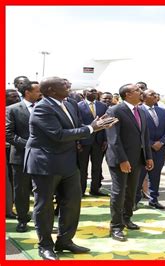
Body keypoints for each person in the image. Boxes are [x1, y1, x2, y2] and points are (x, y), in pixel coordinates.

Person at [24, 77, 117, 260]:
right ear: (51, 90)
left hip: (68, 163)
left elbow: (74, 128)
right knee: (44, 207)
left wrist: (95, 126)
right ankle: (45, 246)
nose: (69, 86)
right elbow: (58, 135)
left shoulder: (69, 104)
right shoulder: (42, 107)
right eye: (63, 85)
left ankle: (65, 241)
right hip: (46, 164)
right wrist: (91, 128)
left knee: (72, 203)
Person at [105, 83, 153, 242]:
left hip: (137, 159)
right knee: (119, 193)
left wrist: (148, 156)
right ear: (127, 94)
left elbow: (144, 136)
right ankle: (116, 226)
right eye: (137, 90)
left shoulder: (141, 110)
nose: (141, 92)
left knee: (132, 191)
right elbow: (113, 139)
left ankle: (126, 218)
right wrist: (123, 160)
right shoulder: (115, 110)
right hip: (121, 160)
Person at [6, 81, 41, 232]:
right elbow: (8, 134)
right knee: (21, 191)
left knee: (43, 190)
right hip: (21, 157)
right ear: (27, 92)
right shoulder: (12, 109)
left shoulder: (44, 107)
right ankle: (22, 220)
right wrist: (29, 145)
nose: (41, 93)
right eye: (38, 91)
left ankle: (42, 221)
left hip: (43, 157)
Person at [135, 89, 165, 209]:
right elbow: (137, 131)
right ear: (144, 98)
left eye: (156, 94)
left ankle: (154, 200)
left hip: (159, 150)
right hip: (144, 150)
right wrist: (151, 143)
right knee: (139, 177)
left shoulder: (162, 111)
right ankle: (134, 201)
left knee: (155, 176)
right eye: (152, 94)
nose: (155, 95)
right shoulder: (138, 111)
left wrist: (161, 142)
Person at [77, 88, 108, 196]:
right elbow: (77, 123)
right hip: (84, 141)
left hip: (99, 141)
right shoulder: (78, 105)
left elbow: (105, 124)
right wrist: (78, 141)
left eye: (95, 91)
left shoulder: (102, 106)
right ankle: (81, 190)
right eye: (91, 91)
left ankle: (95, 189)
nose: (94, 93)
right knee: (82, 167)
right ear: (85, 93)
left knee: (97, 167)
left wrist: (105, 140)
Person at [6, 89, 21, 220]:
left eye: (17, 96)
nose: (16, 99)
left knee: (11, 180)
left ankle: (9, 208)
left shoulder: (17, 110)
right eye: (13, 97)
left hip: (13, 149)